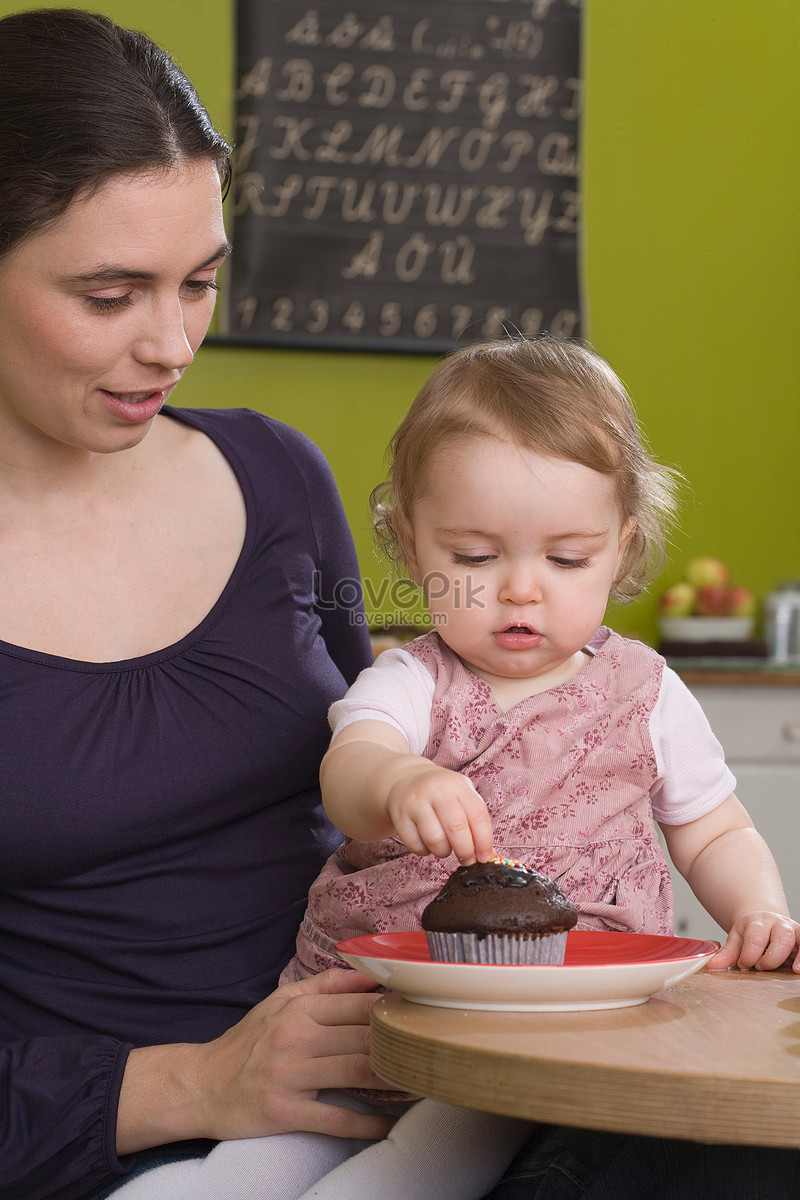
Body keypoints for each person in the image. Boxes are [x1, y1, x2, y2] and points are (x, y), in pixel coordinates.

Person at [0, 9, 397, 1199]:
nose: (172, 344)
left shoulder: (277, 471)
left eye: (199, 283)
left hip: (392, 1098)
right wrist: (194, 1085)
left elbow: (383, 760)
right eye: (111, 295)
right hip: (112, 1150)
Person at [260, 335, 799, 1199]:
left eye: (566, 559)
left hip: (568, 1020)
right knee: (278, 1147)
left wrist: (761, 911)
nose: (519, 589)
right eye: (473, 558)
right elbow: (351, 768)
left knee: (443, 1146)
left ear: (621, 549)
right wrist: (398, 783)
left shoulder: (648, 693)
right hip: (384, 1002)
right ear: (409, 542)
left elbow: (714, 830)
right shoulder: (411, 681)